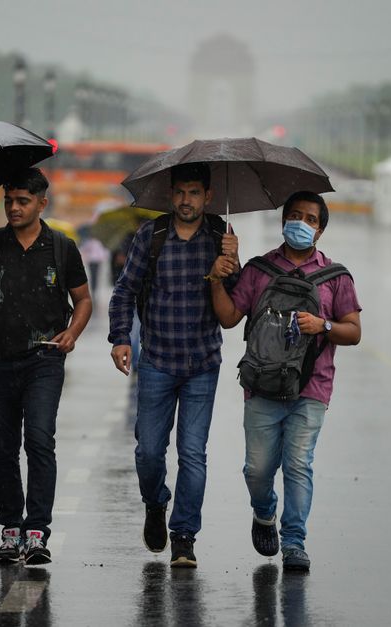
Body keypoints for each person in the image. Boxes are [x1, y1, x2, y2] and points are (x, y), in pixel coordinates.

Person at [209, 190, 361, 572]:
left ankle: (295, 542)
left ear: (320, 230)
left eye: (311, 219)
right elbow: (229, 318)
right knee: (257, 469)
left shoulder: (336, 277)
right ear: (283, 222)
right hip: (261, 385)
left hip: (312, 388)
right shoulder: (260, 270)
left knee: (297, 464)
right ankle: (264, 513)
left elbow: (354, 331)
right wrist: (216, 280)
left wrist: (323, 325)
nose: (302, 223)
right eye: (295, 215)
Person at [108, 162, 238, 568]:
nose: (186, 200)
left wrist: (227, 268)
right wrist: (119, 339)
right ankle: (154, 503)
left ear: (208, 197)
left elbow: (235, 308)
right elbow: (124, 291)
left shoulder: (222, 237)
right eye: (180, 192)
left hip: (202, 363)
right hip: (157, 362)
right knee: (148, 451)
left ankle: (184, 536)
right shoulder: (152, 235)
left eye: (194, 192)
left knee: (192, 453)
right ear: (171, 195)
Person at [0, 167, 91, 566]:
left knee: (38, 440)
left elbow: (84, 299)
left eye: (22, 201)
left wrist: (72, 332)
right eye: (8, 201)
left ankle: (36, 532)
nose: (13, 208)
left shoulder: (61, 247)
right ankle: (10, 530)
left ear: (41, 203)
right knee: (3, 450)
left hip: (44, 360)